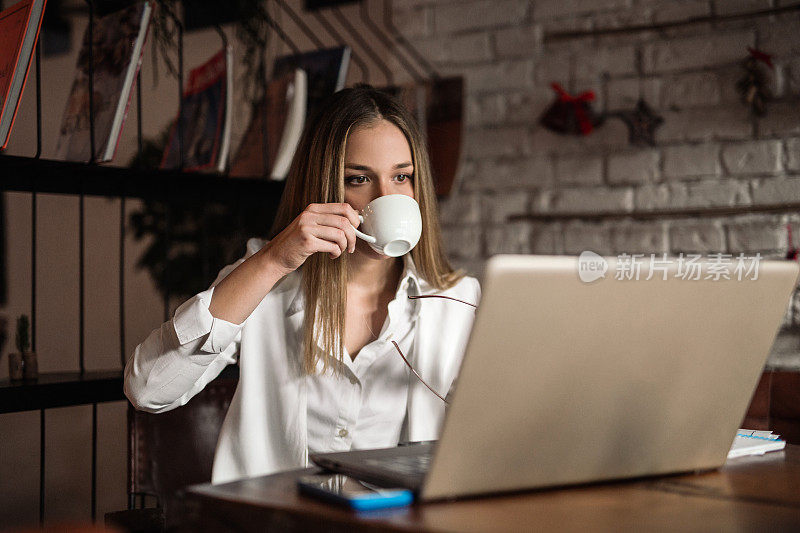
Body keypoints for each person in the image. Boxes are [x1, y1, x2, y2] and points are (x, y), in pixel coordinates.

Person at [124, 85, 481, 485]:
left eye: (402, 176)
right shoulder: (266, 279)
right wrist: (274, 260)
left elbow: (493, 428)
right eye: (358, 178)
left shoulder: (456, 300)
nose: (386, 197)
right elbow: (148, 389)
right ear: (324, 187)